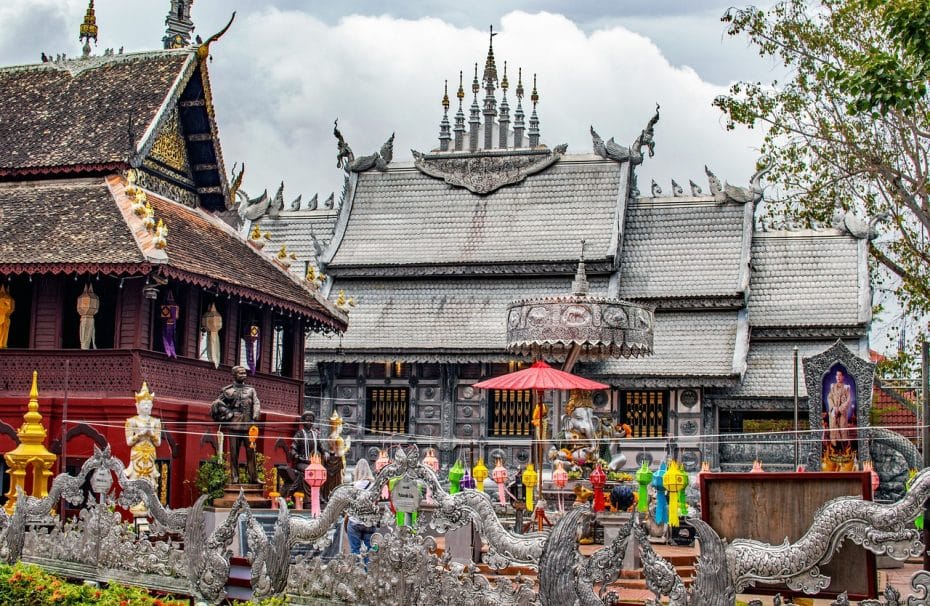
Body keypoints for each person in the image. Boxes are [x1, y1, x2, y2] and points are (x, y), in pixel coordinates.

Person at [210, 365, 261, 484]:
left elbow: (256, 403)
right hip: (234, 426)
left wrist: (255, 416)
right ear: (234, 375)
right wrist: (228, 414)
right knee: (234, 454)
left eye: (244, 373)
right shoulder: (227, 390)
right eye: (240, 373)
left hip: (249, 426)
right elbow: (216, 404)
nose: (243, 375)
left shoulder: (251, 390)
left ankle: (253, 477)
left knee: (251, 452)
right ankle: (234, 477)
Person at [125, 382, 162, 488]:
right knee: (136, 478)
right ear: (138, 405)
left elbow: (158, 443)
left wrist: (151, 433)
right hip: (137, 453)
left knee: (150, 480)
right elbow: (129, 442)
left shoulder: (156, 422)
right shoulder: (131, 421)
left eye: (148, 404)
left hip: (150, 453)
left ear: (151, 406)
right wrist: (140, 434)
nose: (146, 406)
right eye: (143, 404)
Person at [285, 411, 323, 499]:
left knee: (320, 471)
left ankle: (317, 495)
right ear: (303, 421)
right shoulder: (299, 434)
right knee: (310, 471)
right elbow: (293, 451)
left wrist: (328, 453)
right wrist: (301, 459)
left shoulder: (315, 434)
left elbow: (320, 447)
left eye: (311, 420)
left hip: (312, 462)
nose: (309, 422)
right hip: (301, 463)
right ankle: (308, 498)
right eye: (307, 420)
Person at [347, 458, 377, 557]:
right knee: (370, 552)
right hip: (370, 523)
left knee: (355, 551)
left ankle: (358, 570)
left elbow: (349, 504)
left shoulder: (353, 486)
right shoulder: (374, 486)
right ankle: (368, 571)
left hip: (355, 522)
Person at [826, 369, 853, 447]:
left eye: (840, 375)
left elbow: (848, 400)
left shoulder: (846, 388)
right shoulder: (832, 387)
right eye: (837, 375)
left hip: (842, 413)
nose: (838, 377)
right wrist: (834, 408)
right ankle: (834, 448)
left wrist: (840, 409)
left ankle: (844, 449)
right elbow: (829, 398)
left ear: (843, 377)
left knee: (843, 429)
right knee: (834, 430)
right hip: (834, 413)